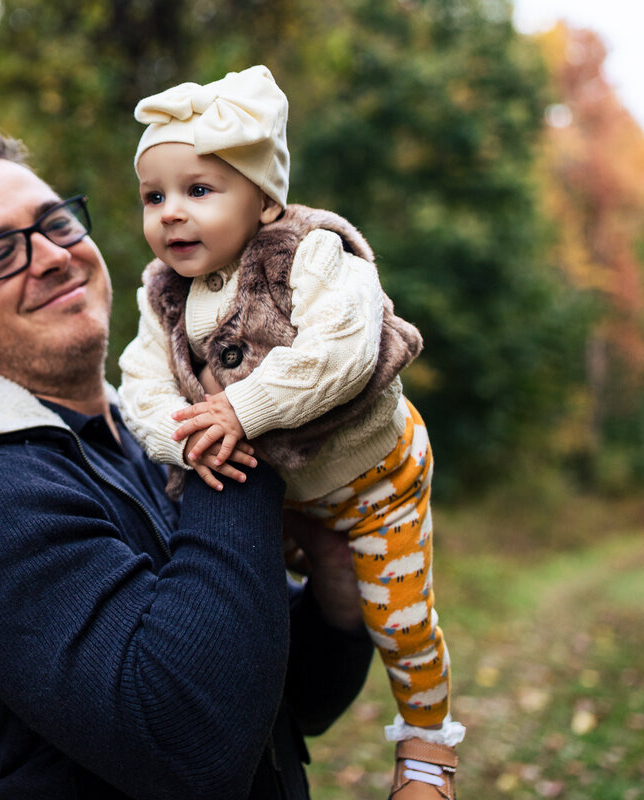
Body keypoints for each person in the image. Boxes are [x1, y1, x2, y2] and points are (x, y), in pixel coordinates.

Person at [0, 124, 375, 799]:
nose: (53, 255)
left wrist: (337, 589)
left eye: (56, 221)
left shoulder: (134, 434)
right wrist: (234, 405)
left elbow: (281, 700)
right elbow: (190, 741)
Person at [117, 66, 466, 800]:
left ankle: (428, 752)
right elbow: (140, 384)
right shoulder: (163, 295)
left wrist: (244, 408)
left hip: (376, 476)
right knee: (246, 599)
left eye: (198, 191)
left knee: (399, 618)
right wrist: (179, 435)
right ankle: (258, 727)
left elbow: (341, 348)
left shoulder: (308, 251)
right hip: (290, 494)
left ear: (264, 199)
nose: (171, 214)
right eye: (155, 197)